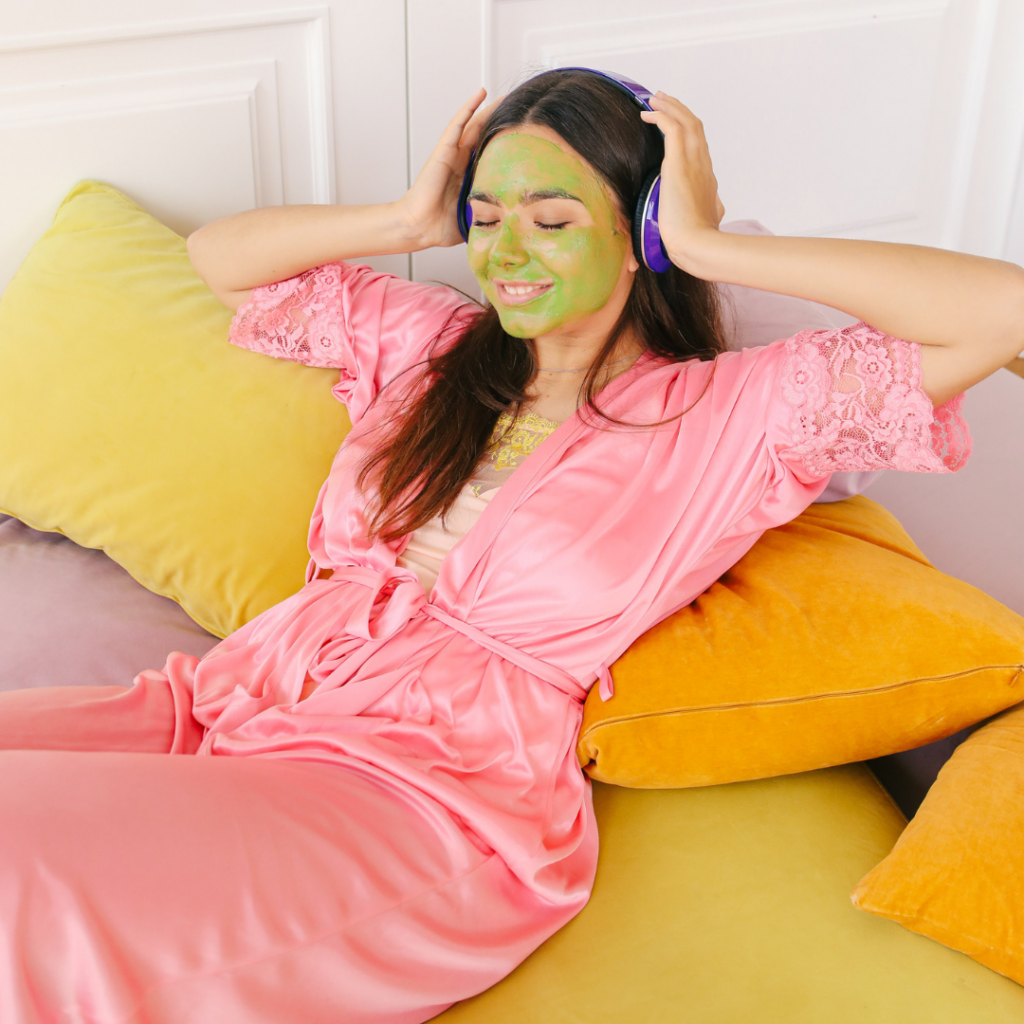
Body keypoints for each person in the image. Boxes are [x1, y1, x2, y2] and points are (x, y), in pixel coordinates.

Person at [1, 68, 1022, 1024]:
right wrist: (406, 220)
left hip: (411, 792)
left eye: (552, 219)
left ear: (639, 233)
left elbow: (1002, 311)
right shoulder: (431, 346)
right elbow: (220, 262)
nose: (505, 252)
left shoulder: (737, 414)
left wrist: (710, 245)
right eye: (486, 219)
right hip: (230, 703)